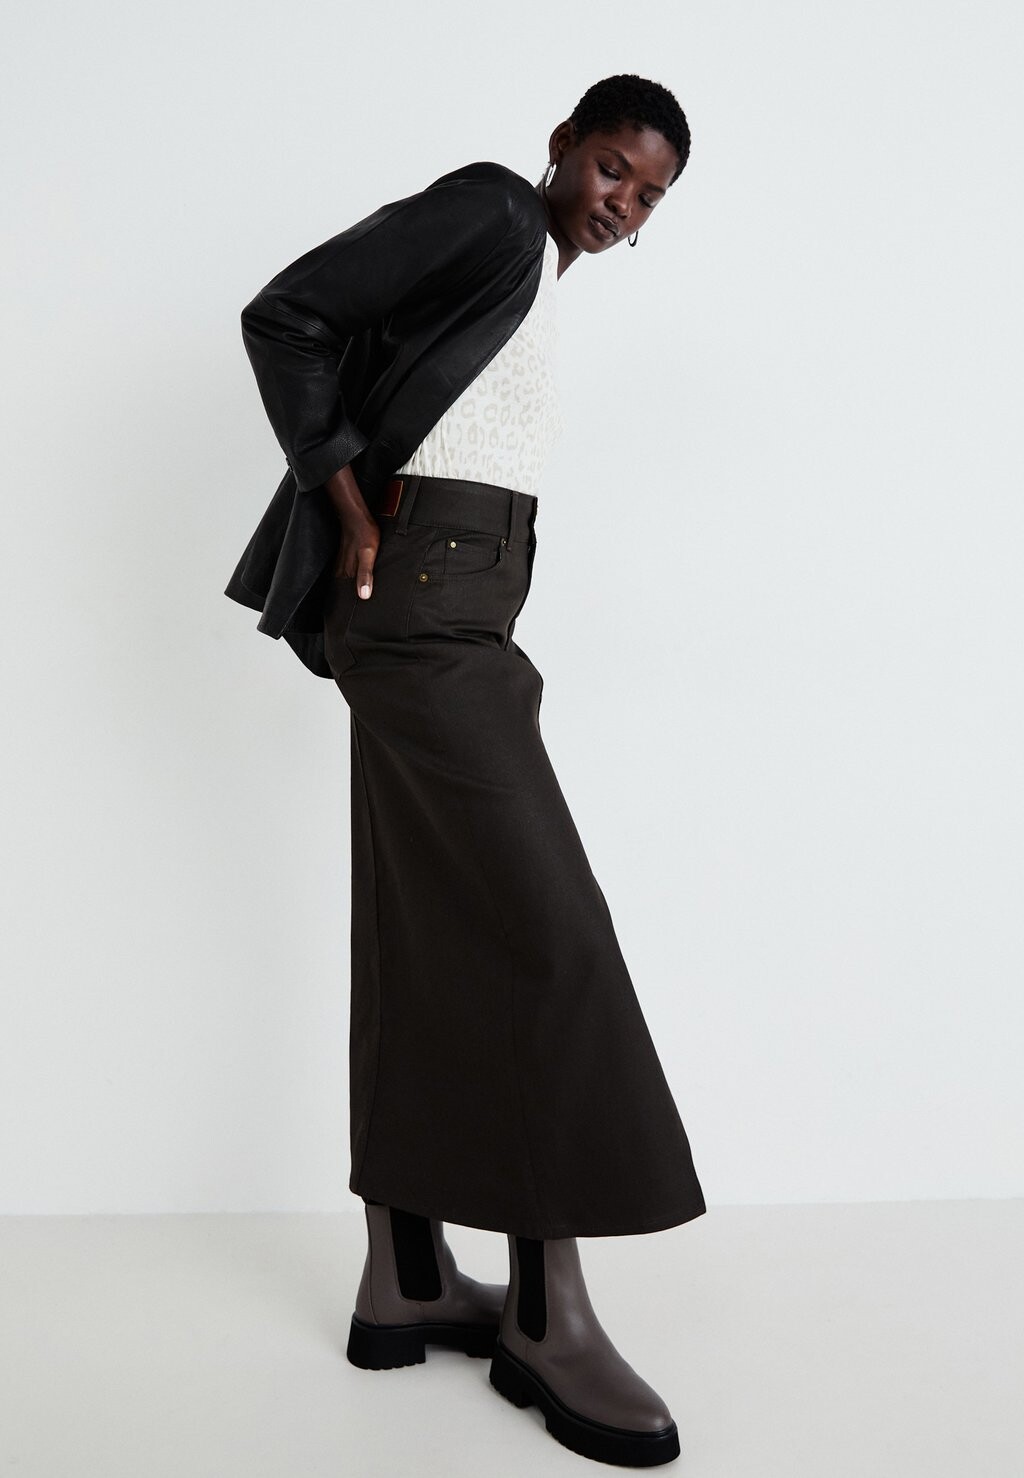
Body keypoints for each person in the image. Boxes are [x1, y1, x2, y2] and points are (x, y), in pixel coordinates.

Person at [227, 73, 707, 1469]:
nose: (621, 205)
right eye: (612, 169)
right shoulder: (496, 211)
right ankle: (548, 1315)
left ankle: (410, 1276)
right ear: (564, 146)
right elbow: (288, 313)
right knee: (548, 936)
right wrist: (342, 498)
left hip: (463, 613)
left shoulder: (537, 279)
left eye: (649, 198)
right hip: (420, 606)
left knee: (425, 923)